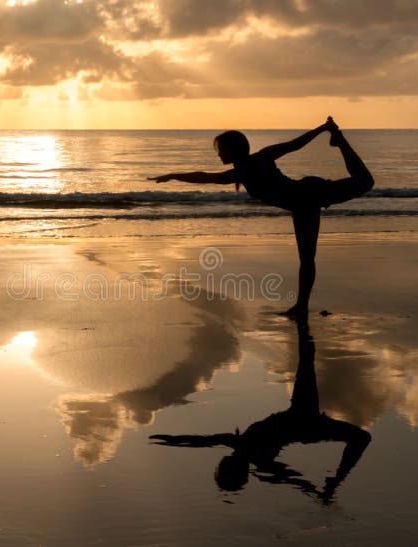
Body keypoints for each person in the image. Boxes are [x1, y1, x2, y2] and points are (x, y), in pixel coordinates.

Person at [149, 117, 374, 317]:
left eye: (221, 149)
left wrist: (323, 128)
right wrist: (174, 175)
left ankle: (339, 139)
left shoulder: (258, 160)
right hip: (303, 203)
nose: (219, 154)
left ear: (233, 149)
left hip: (307, 196)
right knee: (307, 257)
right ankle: (301, 306)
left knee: (365, 182)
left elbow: (294, 145)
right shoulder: (242, 170)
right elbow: (205, 177)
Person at [150, 318, 371, 501]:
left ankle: (336, 480)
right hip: (304, 420)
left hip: (304, 422)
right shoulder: (252, 455)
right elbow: (290, 477)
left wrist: (171, 439)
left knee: (359, 436)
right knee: (307, 364)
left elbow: (199, 441)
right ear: (229, 464)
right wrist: (314, 489)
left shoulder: (241, 447)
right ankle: (304, 323)